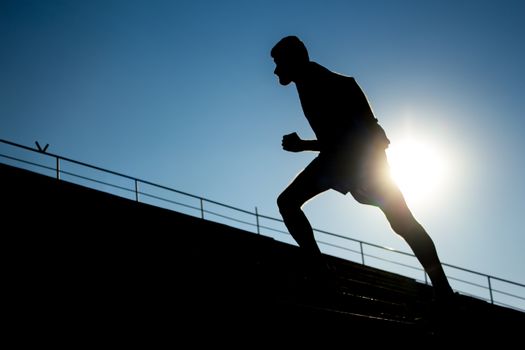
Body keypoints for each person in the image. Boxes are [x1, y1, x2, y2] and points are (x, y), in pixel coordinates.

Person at [271, 35, 454, 301]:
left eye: (279, 63)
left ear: (295, 59)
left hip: (362, 160)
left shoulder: (328, 83)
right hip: (341, 159)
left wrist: (304, 145)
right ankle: (320, 269)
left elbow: (348, 136)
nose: (276, 70)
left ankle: (443, 290)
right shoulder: (308, 83)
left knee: (402, 222)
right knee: (288, 202)